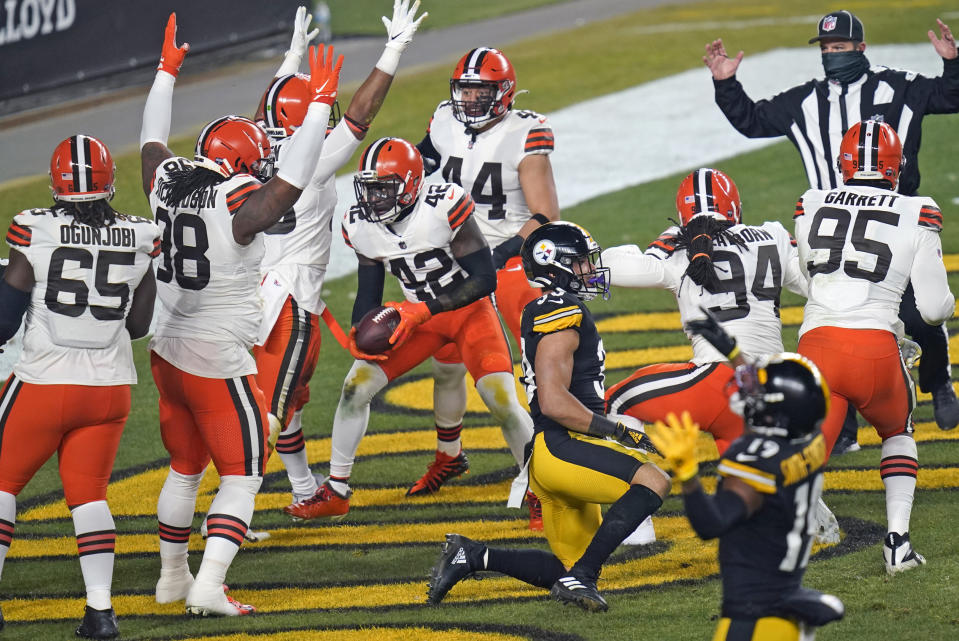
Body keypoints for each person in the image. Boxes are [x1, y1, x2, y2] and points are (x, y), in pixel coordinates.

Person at [139, 14, 341, 615]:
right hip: (214, 356)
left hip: (163, 351)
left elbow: (152, 142)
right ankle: (207, 585)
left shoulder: (167, 180)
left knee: (182, 468)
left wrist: (166, 74)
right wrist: (320, 108)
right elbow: (291, 183)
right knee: (243, 473)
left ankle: (171, 578)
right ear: (243, 166)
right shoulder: (236, 200)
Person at [704, 11, 959, 431]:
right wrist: (725, 83)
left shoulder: (899, 86)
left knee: (917, 313)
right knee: (834, 316)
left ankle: (938, 380)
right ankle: (840, 419)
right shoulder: (805, 101)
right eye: (825, 48)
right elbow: (751, 121)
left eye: (839, 47)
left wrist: (952, 62)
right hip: (834, 228)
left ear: (861, 47)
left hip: (893, 220)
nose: (831, 55)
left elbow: (951, 96)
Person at [285, 137, 534, 521]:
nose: (374, 200)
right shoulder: (360, 224)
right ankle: (336, 489)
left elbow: (484, 279)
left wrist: (424, 310)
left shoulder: (443, 206)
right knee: (355, 387)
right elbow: (369, 291)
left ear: (413, 184)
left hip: (468, 310)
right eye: (369, 190)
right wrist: (359, 330)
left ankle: (542, 489)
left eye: (384, 189)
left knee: (501, 399)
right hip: (416, 315)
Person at [426, 222, 669, 612]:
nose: (591, 271)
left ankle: (472, 556)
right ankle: (584, 578)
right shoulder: (563, 313)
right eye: (582, 264)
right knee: (653, 481)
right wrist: (618, 431)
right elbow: (555, 401)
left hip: (551, 453)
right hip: (564, 446)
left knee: (563, 569)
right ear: (555, 266)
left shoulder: (546, 308)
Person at [249, 2, 426, 516]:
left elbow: (266, 113)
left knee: (286, 405)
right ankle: (226, 517)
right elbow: (360, 116)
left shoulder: (253, 149)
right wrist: (393, 50)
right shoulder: (314, 157)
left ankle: (304, 488)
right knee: (267, 416)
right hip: (289, 305)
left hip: (248, 295)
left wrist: (291, 59)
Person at [0, 135, 159, 639]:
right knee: (89, 496)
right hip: (108, 389)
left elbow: (5, 320)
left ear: (56, 184)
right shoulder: (141, 236)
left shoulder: (35, 228)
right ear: (109, 185)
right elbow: (138, 326)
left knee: (0, 484)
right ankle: (100, 612)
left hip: (47, 382)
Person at [792, 119, 954, 573]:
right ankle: (897, 544)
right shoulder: (919, 209)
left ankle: (790, 528)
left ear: (844, 164)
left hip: (816, 345)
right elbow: (934, 309)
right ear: (897, 167)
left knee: (809, 448)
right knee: (898, 433)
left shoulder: (810, 202)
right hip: (875, 348)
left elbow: (810, 277)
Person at [408, 47, 559, 527]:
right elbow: (417, 168)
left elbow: (544, 215)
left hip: (507, 260)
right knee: (446, 365)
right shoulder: (443, 122)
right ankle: (449, 455)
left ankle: (549, 473)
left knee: (524, 373)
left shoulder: (524, 133)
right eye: (465, 90)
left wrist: (496, 257)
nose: (470, 99)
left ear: (504, 93)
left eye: (481, 90)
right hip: (455, 254)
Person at [602, 168, 807, 456]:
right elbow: (815, 283)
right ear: (734, 206)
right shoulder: (773, 235)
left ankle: (643, 485)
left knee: (614, 402)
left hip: (716, 382)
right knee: (773, 481)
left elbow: (614, 269)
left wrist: (655, 247)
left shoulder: (680, 249)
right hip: (777, 385)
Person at [648, 350, 845, 641]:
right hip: (787, 609)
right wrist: (734, 353)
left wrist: (688, 476)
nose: (749, 396)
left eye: (759, 395)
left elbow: (711, 525)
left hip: (754, 619)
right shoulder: (809, 443)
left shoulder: (754, 465)